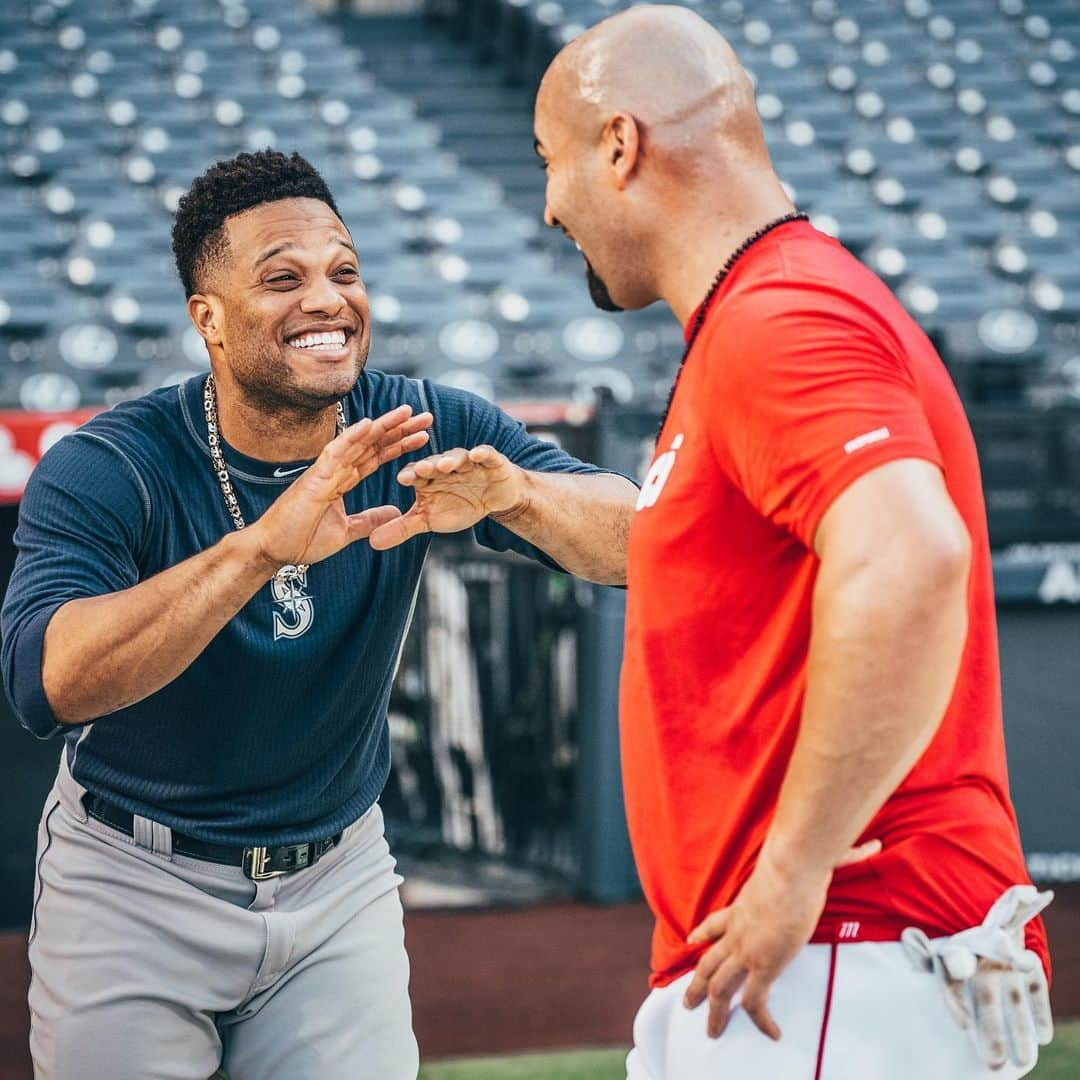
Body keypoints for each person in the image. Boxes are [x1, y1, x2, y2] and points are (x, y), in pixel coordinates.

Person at [1, 149, 638, 1080]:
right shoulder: (113, 463)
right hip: (131, 881)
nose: (327, 300)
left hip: (336, 874)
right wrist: (258, 547)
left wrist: (518, 498)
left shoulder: (417, 423)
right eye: (282, 278)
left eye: (344, 271)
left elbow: (643, 541)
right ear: (207, 320)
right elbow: (45, 684)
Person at [532, 7, 1054, 1078]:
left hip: (832, 956)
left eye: (552, 163)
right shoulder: (763, 311)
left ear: (619, 146)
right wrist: (511, 496)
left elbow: (912, 557)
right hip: (807, 965)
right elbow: (687, 559)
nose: (549, 206)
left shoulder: (779, 318)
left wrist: (791, 873)